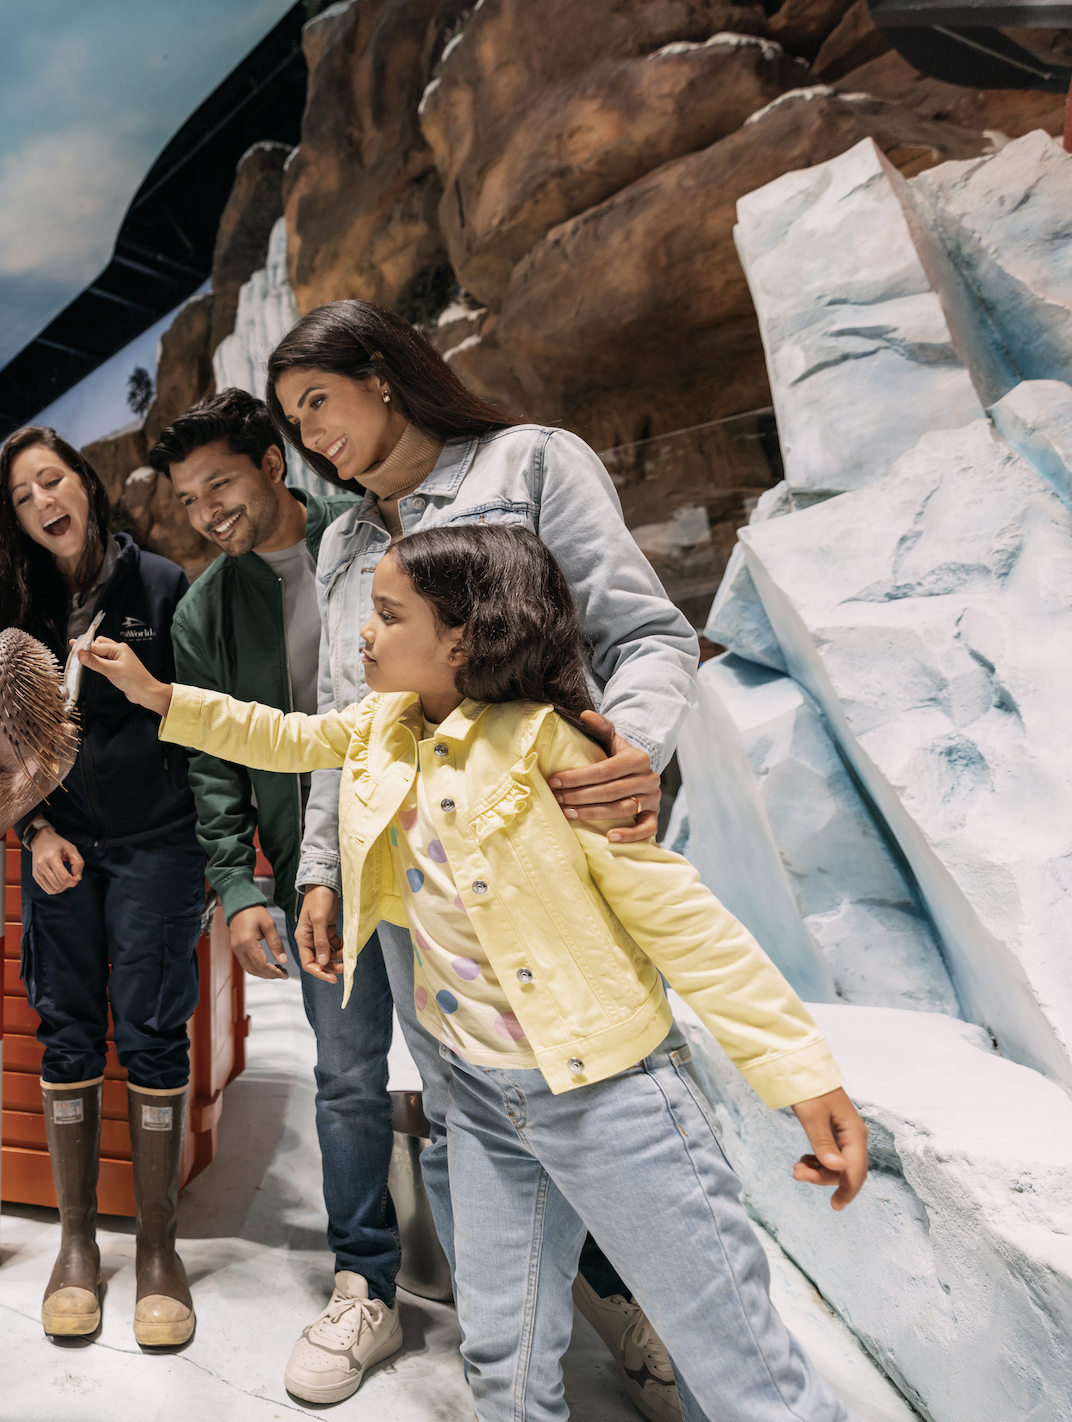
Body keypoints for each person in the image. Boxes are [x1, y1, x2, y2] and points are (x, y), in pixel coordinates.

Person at [74, 521, 871, 1422]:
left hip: (612, 1098)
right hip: (482, 1102)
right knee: (501, 1356)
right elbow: (280, 735)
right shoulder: (380, 728)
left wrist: (800, 1073)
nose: (363, 633)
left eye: (387, 615)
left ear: (462, 639)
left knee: (735, 1365)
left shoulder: (549, 746)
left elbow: (679, 917)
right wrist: (157, 695)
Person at [270, 298, 696, 1420]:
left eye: (317, 400)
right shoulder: (341, 541)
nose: (308, 434)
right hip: (416, 886)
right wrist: (321, 869)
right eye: (292, 420)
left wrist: (629, 750)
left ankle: (638, 1306)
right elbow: (349, 726)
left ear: (382, 372)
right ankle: (510, 1382)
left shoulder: (531, 463)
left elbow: (646, 635)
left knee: (603, 1102)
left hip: (548, 867)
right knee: (465, 1122)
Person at [150, 388, 403, 1403]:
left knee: (500, 1071)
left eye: (219, 483)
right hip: (313, 880)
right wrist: (237, 881)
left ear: (270, 462)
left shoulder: (372, 539)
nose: (206, 512)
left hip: (430, 856)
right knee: (345, 1078)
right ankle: (364, 1279)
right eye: (186, 498)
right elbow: (214, 762)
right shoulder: (203, 610)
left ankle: (593, 1278)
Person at [0, 425, 205, 1349]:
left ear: (85, 484)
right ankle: (75, 1245)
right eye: (22, 497)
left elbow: (203, 719)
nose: (42, 503)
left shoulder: (161, 588)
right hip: (59, 848)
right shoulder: (13, 611)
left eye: (51, 480)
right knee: (65, 1027)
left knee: (151, 1032)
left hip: (156, 843)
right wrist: (33, 829)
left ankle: (157, 1250)